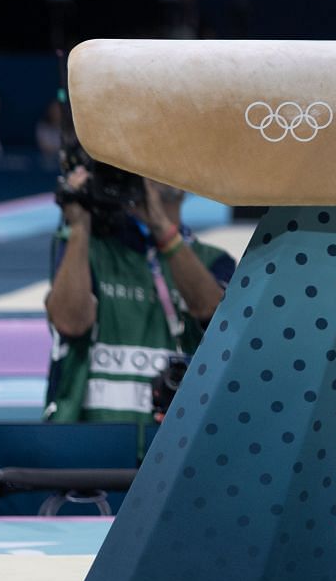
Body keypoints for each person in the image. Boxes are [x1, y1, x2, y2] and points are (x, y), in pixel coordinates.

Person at [43, 164, 235, 422]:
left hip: (175, 439)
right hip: (86, 441)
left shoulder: (214, 260)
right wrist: (78, 228)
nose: (156, 174)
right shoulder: (87, 249)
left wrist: (161, 228)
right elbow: (69, 322)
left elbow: (211, 313)